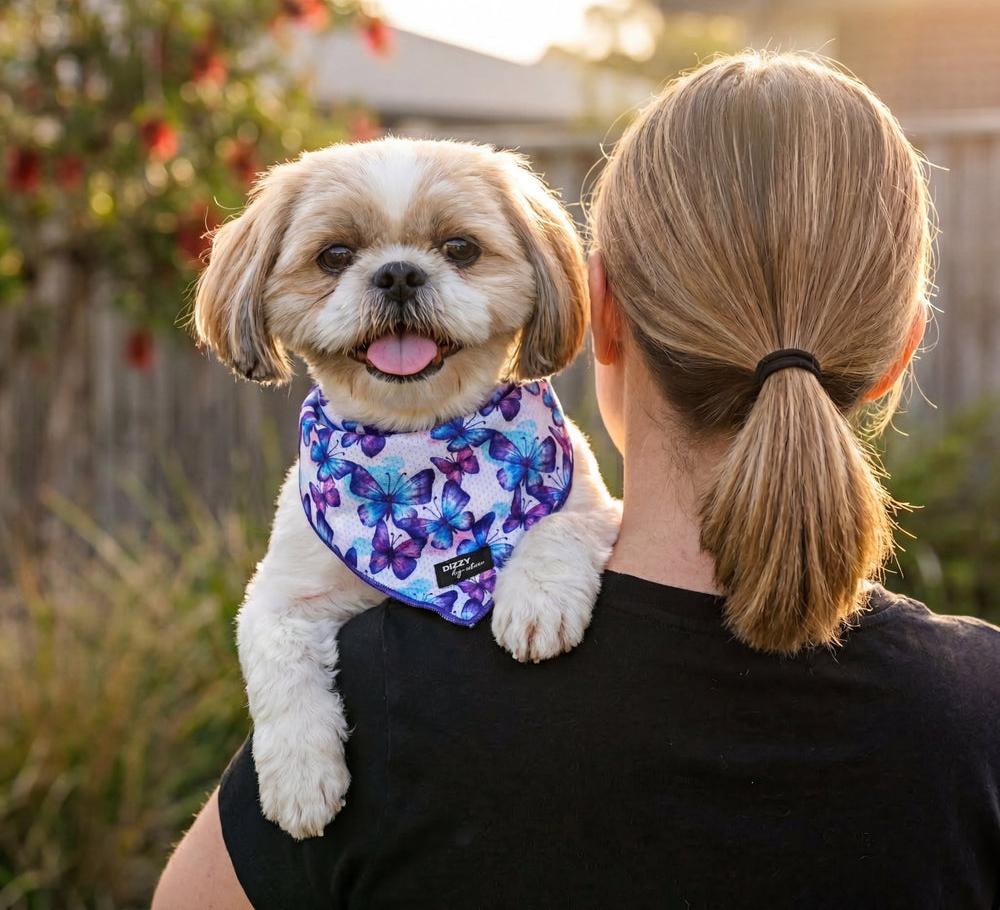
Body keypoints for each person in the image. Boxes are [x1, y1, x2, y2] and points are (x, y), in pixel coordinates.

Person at [153, 52, 1000, 909]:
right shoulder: (981, 712)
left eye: (456, 249)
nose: (401, 279)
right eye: (340, 254)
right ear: (901, 354)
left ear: (599, 308)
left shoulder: (375, 696)